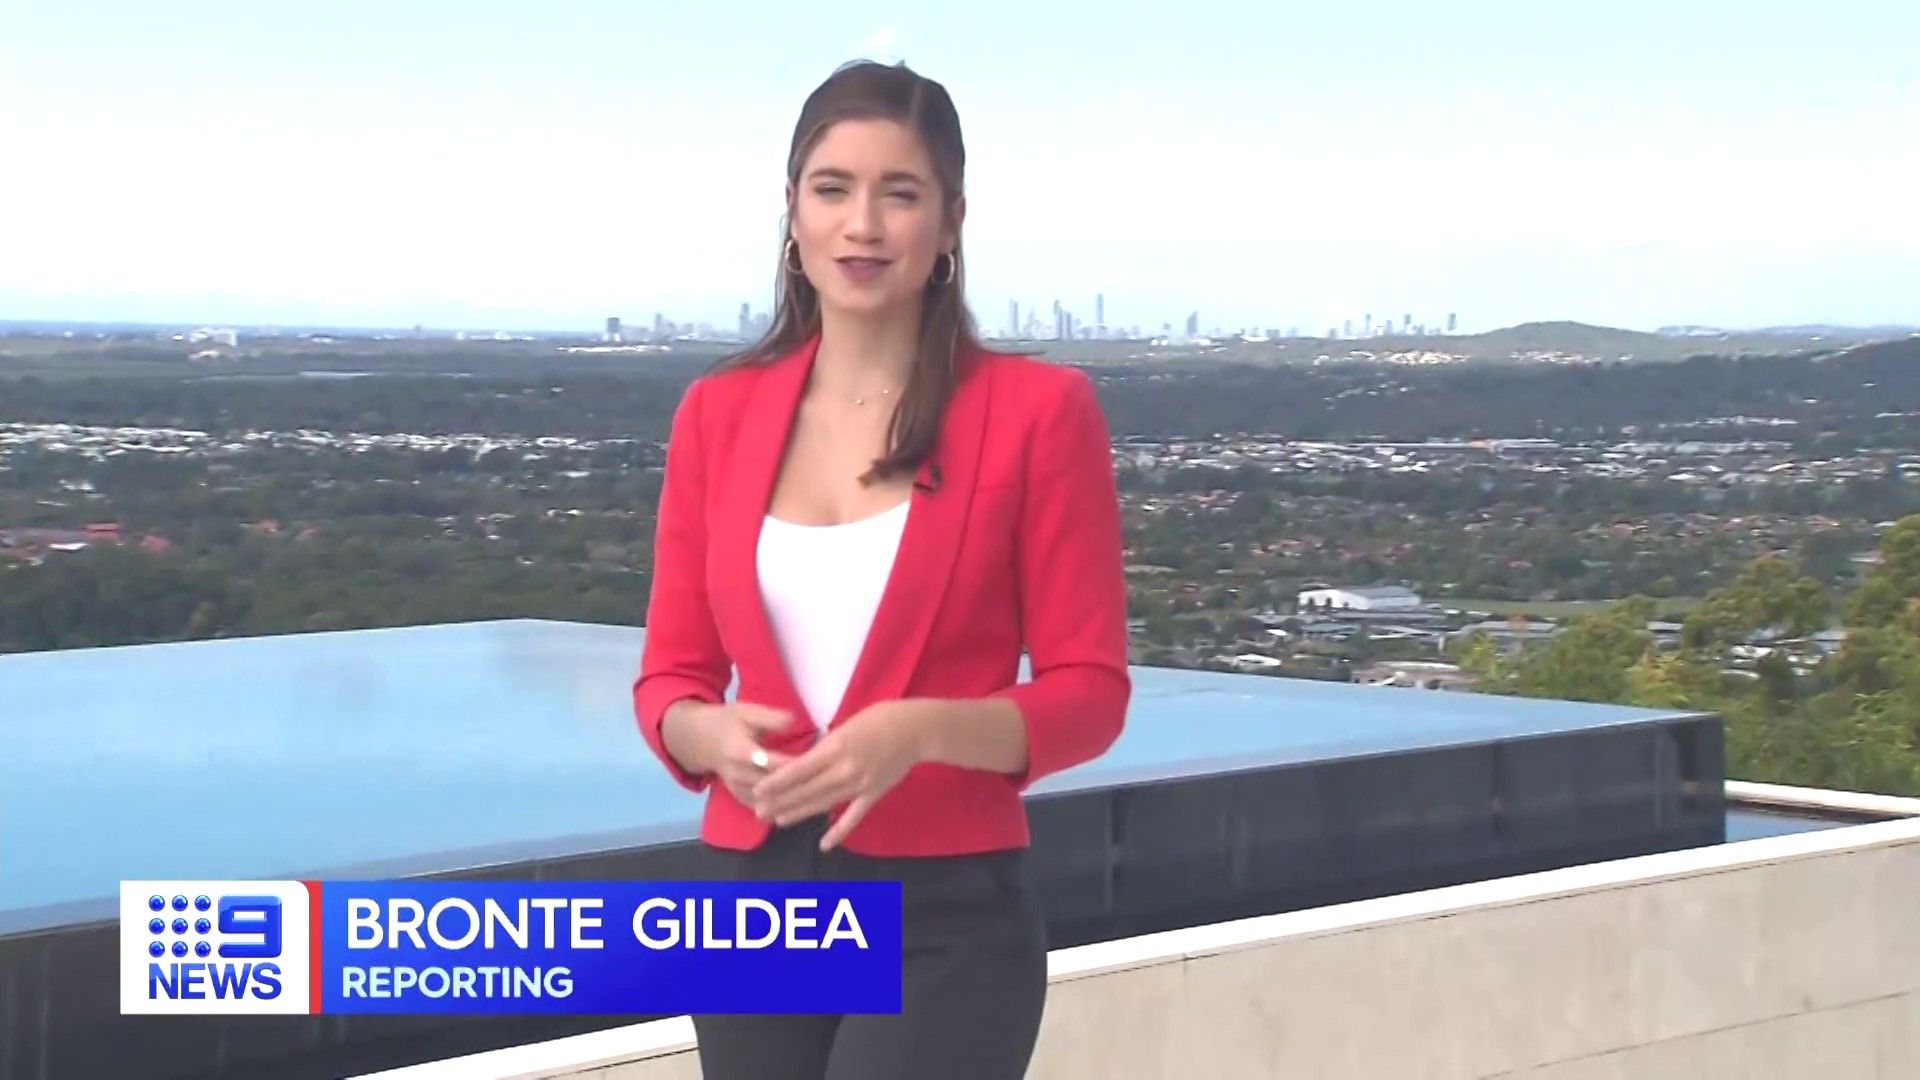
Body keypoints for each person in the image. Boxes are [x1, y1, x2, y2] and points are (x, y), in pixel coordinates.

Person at [632, 58, 1131, 1080]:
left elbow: (1091, 693)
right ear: (792, 211)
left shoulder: (1040, 414)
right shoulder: (716, 416)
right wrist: (705, 734)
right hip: (752, 898)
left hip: (948, 914)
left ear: (950, 222)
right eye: (833, 189)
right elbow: (670, 679)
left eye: (899, 194)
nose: (862, 225)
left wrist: (924, 732)